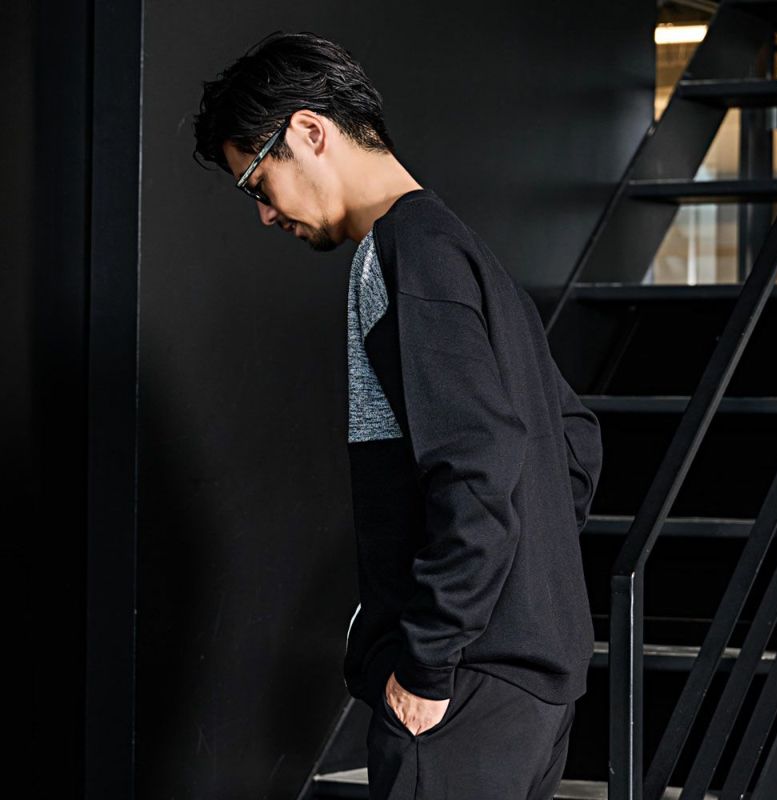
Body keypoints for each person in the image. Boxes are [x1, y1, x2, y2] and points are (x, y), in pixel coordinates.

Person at [193, 30, 603, 800]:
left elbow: (477, 467)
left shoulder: (400, 256)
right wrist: (519, 585)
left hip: (462, 691)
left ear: (309, 132)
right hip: (532, 689)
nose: (265, 214)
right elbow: (575, 443)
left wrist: (429, 659)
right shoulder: (465, 254)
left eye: (256, 182)